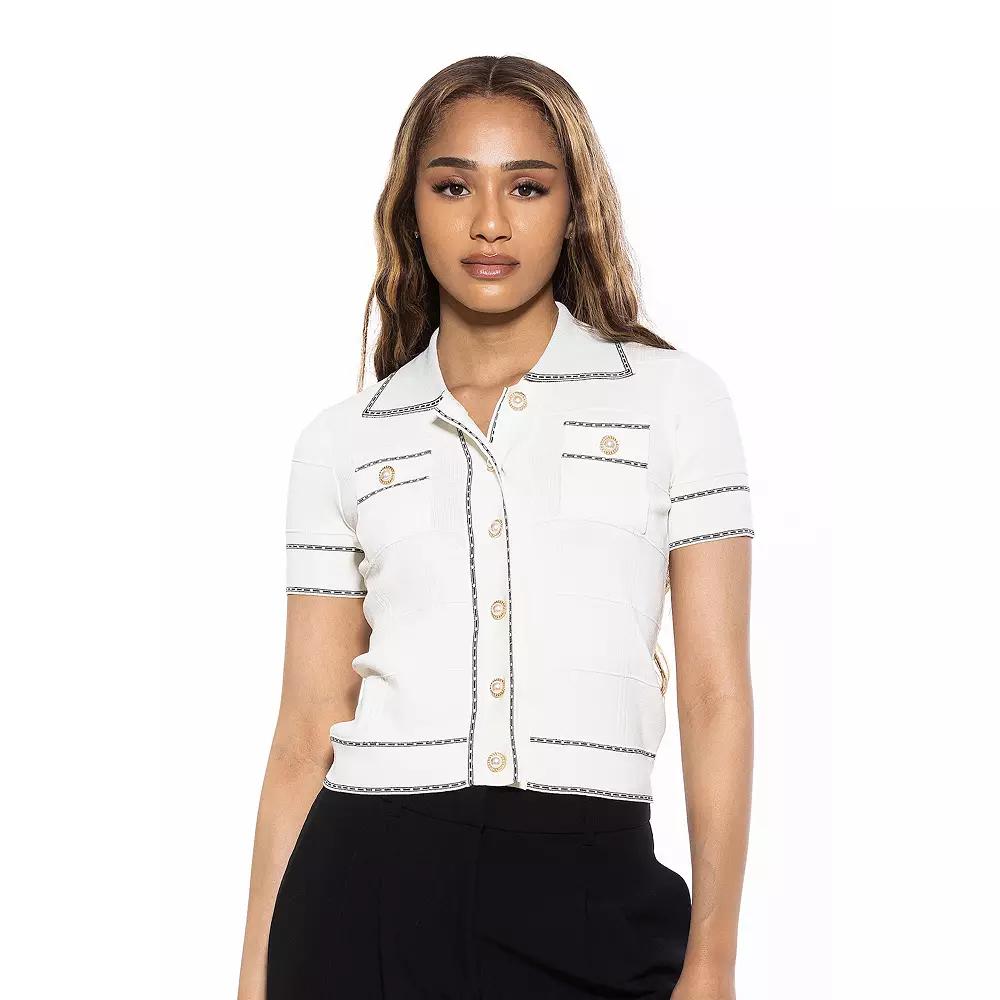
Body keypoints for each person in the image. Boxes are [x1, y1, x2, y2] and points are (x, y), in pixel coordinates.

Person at [237, 55, 754, 1000]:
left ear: (574, 205)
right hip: (362, 897)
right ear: (410, 209)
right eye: (452, 186)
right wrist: (252, 978)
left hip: (595, 896)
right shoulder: (343, 439)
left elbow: (715, 694)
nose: (489, 222)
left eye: (526, 186)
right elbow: (305, 729)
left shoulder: (674, 401)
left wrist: (713, 957)